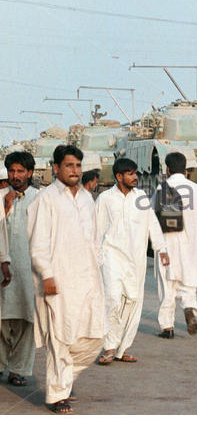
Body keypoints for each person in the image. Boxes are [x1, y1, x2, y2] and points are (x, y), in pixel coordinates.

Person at [27, 145, 104, 414]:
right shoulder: (45, 199)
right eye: (69, 166)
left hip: (87, 279)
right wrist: (46, 274)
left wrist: (98, 271)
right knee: (59, 337)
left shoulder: (86, 199)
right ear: (56, 168)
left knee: (94, 338)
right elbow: (37, 243)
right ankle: (58, 394)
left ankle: (64, 377)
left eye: (78, 166)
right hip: (57, 280)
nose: (75, 171)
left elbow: (94, 240)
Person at [95, 158, 169, 364]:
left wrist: (161, 249)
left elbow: (152, 224)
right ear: (119, 177)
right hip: (111, 257)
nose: (135, 177)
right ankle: (109, 346)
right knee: (112, 298)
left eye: (136, 173)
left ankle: (122, 348)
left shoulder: (142, 198)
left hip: (136, 258)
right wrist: (94, 257)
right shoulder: (105, 198)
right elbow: (97, 230)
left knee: (133, 302)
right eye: (130, 173)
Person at [156, 152, 197, 338]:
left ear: (167, 169)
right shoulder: (195, 189)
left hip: (167, 244)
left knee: (167, 284)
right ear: (186, 168)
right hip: (189, 243)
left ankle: (167, 327)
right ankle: (190, 307)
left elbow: (154, 217)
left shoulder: (162, 188)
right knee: (188, 281)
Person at [0, 152, 38, 387]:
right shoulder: (1, 197)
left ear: (30, 173)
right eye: (11, 171)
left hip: (28, 269)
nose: (15, 175)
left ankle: (18, 369)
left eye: (20, 171)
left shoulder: (39, 199)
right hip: (3, 267)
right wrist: (6, 207)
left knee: (27, 320)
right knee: (2, 320)